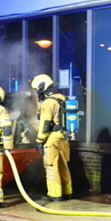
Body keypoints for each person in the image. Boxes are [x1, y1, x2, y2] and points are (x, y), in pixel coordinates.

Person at [31, 74, 71, 202]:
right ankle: (67, 192)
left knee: (51, 165)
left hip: (52, 138)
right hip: (64, 138)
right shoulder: (64, 98)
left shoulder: (48, 102)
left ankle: (54, 194)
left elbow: (45, 125)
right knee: (63, 165)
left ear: (42, 86)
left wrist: (39, 141)